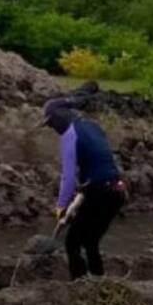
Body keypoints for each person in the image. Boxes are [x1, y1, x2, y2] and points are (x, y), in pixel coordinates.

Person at [41, 97, 125, 280]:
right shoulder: (93, 126)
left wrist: (61, 207)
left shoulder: (69, 135)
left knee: (72, 243)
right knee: (90, 241)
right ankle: (98, 282)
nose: (52, 128)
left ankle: (79, 287)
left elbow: (68, 177)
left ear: (59, 116)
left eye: (51, 123)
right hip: (117, 191)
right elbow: (100, 158)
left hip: (99, 191)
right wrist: (84, 186)